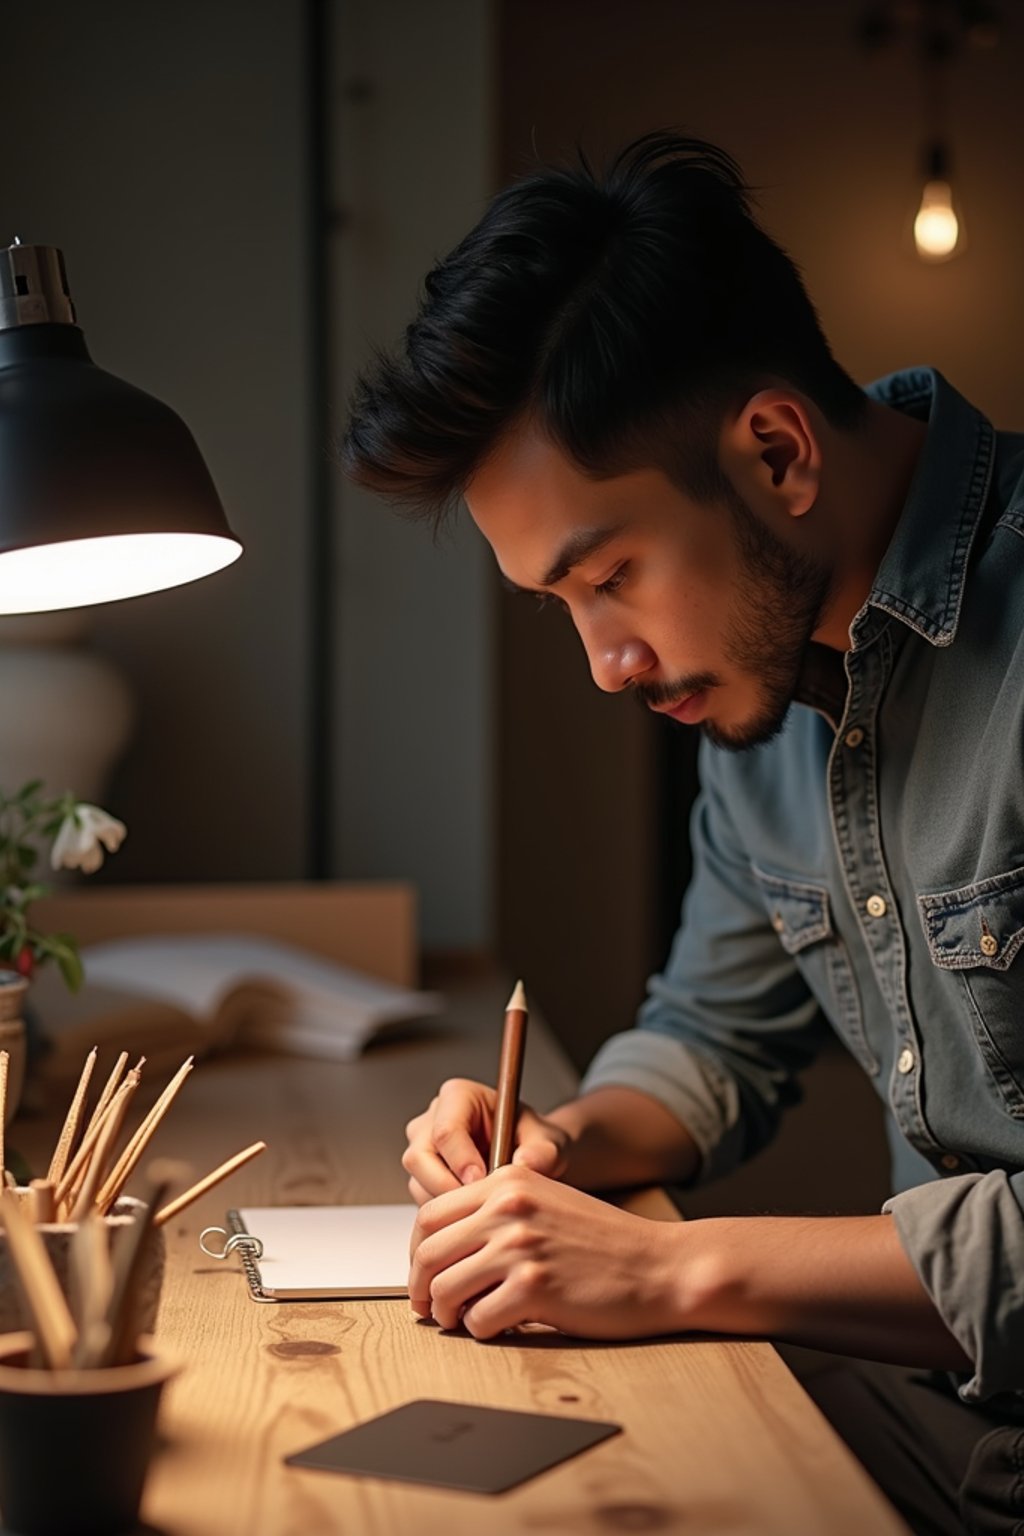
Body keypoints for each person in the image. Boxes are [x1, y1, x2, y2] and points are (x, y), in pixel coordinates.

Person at [341, 132, 1024, 1535]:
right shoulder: (769, 696)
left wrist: (669, 1271)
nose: (605, 663)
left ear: (775, 451)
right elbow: (713, 1040)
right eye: (562, 603)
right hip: (934, 1428)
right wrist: (560, 1143)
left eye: (610, 577)